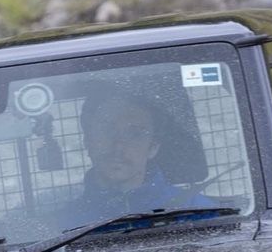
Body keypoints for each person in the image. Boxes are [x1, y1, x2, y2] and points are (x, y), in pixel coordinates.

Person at [59, 84, 213, 230]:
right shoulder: (61, 226)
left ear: (153, 147)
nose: (118, 146)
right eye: (106, 130)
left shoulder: (198, 213)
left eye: (135, 134)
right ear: (88, 141)